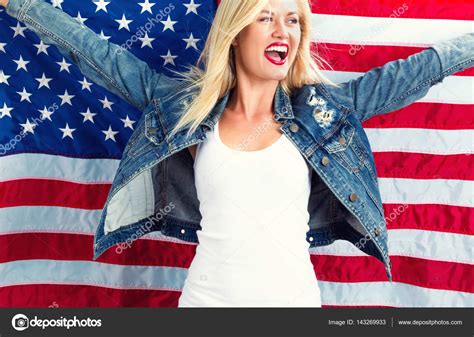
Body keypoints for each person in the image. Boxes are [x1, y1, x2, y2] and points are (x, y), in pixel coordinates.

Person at [1, 0, 472, 307]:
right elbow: (96, 55)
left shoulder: (327, 112)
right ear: (236, 30)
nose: (282, 30)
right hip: (207, 305)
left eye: (293, 20)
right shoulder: (180, 107)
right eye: (266, 16)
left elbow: (422, 70)